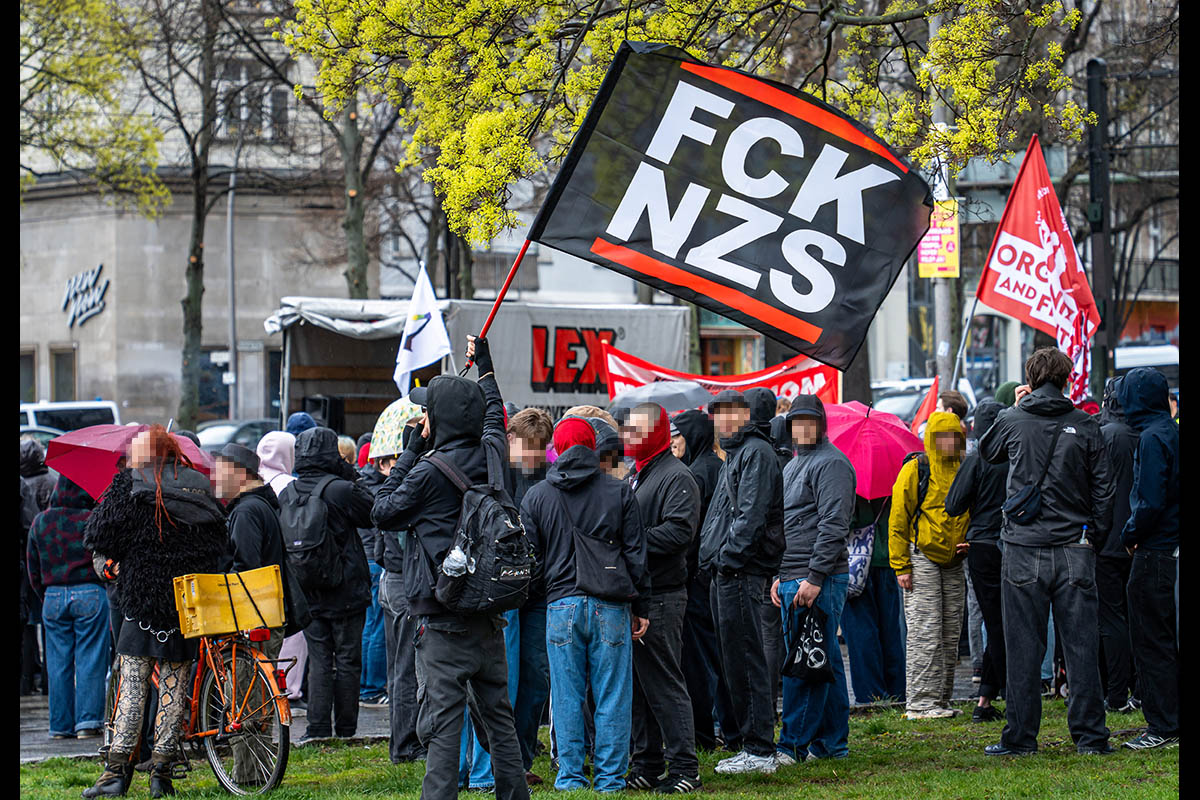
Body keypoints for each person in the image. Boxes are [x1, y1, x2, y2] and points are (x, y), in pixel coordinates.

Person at [371, 336, 530, 800]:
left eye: (426, 412)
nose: (421, 417)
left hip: (441, 621)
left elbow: (381, 510)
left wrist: (408, 452)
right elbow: (495, 418)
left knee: (443, 728)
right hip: (488, 613)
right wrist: (486, 368)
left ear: (436, 419)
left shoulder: (426, 471)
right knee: (499, 721)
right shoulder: (492, 457)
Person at [978, 347, 1115, 756]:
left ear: (1031, 378)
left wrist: (1014, 406)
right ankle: (1090, 737)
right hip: (1076, 547)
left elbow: (985, 452)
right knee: (1081, 648)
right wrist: (1096, 538)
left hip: (1022, 547)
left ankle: (1020, 739)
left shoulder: (1012, 420)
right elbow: (1104, 489)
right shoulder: (1087, 425)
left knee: (1023, 647)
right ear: (1067, 379)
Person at [81, 426, 229, 797]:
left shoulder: (131, 482)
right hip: (184, 603)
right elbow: (217, 541)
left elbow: (100, 535)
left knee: (132, 684)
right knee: (173, 690)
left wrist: (111, 563)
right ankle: (161, 774)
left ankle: (115, 774)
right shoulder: (198, 483)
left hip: (142, 601)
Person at [520, 415, 650, 793]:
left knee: (566, 696)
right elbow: (635, 554)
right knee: (613, 694)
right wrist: (642, 606)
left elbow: (532, 558)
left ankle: (571, 776)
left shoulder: (538, 495)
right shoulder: (618, 491)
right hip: (610, 604)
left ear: (556, 448)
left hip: (560, 605)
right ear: (592, 445)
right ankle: (610, 779)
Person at [213, 442, 312, 786]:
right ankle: (258, 772)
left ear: (240, 473)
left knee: (243, 700)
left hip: (251, 615)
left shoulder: (245, 512)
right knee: (257, 701)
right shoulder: (261, 506)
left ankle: (249, 777)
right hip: (270, 614)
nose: (215, 477)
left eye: (220, 470)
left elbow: (246, 569)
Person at [698, 389, 784, 775]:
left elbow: (750, 517)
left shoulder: (756, 453)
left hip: (740, 572)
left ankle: (760, 750)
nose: (719, 420)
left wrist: (727, 560)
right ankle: (756, 745)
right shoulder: (739, 453)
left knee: (746, 659)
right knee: (736, 659)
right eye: (717, 413)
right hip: (729, 571)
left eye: (726, 412)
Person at [621, 403, 702, 794]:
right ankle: (647, 764)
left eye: (636, 431)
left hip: (664, 595)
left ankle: (686, 768)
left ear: (656, 433)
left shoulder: (677, 476)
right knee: (640, 685)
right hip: (640, 593)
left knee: (665, 682)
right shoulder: (641, 474)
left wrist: (630, 541)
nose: (627, 438)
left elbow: (679, 534)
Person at [772, 394, 854, 764]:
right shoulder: (794, 465)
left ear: (821, 424)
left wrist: (815, 576)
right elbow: (787, 524)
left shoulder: (833, 464)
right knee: (825, 661)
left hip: (818, 577)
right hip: (793, 574)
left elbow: (833, 525)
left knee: (806, 663)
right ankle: (832, 744)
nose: (801, 428)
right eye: (795, 421)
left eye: (808, 420)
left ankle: (792, 745)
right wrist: (780, 573)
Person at [287, 426, 374, 740]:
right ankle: (346, 728)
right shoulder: (341, 489)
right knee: (348, 659)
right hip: (346, 588)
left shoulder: (289, 492)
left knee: (320, 658)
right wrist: (350, 473)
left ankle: (318, 727)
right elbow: (372, 512)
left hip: (307, 588)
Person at [889, 411, 970, 720]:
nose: (949, 443)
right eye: (943, 437)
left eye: (954, 437)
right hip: (920, 558)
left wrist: (970, 540)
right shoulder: (916, 469)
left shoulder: (964, 469)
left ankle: (942, 699)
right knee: (925, 630)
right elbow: (898, 520)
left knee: (950, 632)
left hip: (954, 560)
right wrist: (901, 566)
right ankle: (920, 703)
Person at [1117, 367, 1179, 750]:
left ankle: (1162, 726)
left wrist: (1130, 534)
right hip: (1170, 548)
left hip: (1154, 550)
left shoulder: (1152, 438)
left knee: (1151, 639)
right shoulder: (1170, 431)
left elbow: (1150, 500)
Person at [671, 409, 738, 752]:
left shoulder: (694, 474)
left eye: (678, 435)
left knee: (698, 661)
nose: (673, 441)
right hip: (715, 574)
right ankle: (730, 727)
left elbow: (689, 533)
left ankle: (702, 735)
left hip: (696, 577)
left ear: (693, 436)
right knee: (721, 654)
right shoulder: (720, 466)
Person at [26, 473, 108, 740]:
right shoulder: (91, 520)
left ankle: (60, 726)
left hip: (52, 595)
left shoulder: (40, 521)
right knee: (90, 659)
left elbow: (33, 567)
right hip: (90, 592)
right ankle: (87, 723)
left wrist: (45, 594)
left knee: (58, 663)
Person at [945, 399, 1009, 723]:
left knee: (995, 623)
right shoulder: (1018, 455)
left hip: (983, 545)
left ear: (976, 427)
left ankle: (995, 696)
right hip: (1016, 545)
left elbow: (953, 504)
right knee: (1009, 621)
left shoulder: (977, 459)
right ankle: (987, 698)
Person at [502, 407, 555, 785]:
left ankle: (520, 755)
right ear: (510, 439)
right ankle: (504, 760)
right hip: (506, 589)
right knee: (505, 678)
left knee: (535, 679)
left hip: (536, 592)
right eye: (528, 447)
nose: (533, 456)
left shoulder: (546, 478)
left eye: (539, 449)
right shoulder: (497, 472)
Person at [371, 417, 427, 765]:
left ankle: (402, 742)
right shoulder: (414, 483)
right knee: (407, 668)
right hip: (404, 581)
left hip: (389, 578)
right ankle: (407, 745)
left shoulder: (394, 481)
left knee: (398, 668)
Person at [1096, 378, 1139, 713]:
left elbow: (1100, 487)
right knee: (1139, 617)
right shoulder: (1147, 431)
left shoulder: (1109, 434)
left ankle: (1116, 693)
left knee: (1111, 618)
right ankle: (1138, 688)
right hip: (1140, 537)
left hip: (1111, 538)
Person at [257, 431, 308, 709]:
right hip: (288, 565)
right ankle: (289, 689)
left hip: (258, 569)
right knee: (292, 634)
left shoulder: (251, 482)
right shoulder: (291, 486)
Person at [839, 495, 906, 704]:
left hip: (855, 562)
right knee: (890, 630)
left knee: (860, 630)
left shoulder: (851, 480)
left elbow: (844, 521)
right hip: (887, 559)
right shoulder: (890, 481)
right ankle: (896, 690)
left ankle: (871, 693)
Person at [21, 437, 57, 696]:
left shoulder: (25, 485)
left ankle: (30, 676)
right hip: (53, 561)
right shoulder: (53, 482)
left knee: (30, 623)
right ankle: (46, 680)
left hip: (29, 562)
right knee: (48, 628)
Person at [355, 450, 389, 708]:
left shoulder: (360, 483)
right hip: (375, 560)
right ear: (381, 462)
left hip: (363, 559)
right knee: (377, 627)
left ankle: (366, 685)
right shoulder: (380, 488)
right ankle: (372, 688)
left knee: (369, 626)